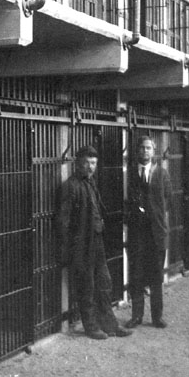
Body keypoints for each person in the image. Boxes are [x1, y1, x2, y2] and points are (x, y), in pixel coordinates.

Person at [55, 145, 131, 340]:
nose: (90, 167)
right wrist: (72, 246)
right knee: (86, 286)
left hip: (96, 242)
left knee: (104, 283)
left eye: (94, 163)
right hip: (81, 245)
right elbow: (63, 221)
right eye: (87, 162)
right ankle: (91, 326)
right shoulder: (70, 186)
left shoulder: (91, 183)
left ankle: (110, 325)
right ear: (78, 163)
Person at [126, 135, 171, 328]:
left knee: (156, 276)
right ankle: (136, 316)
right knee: (136, 275)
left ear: (154, 152)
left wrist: (156, 218)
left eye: (148, 148)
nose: (145, 151)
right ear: (137, 151)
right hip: (137, 233)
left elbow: (168, 201)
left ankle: (156, 317)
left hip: (156, 233)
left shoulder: (162, 174)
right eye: (142, 148)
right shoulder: (129, 174)